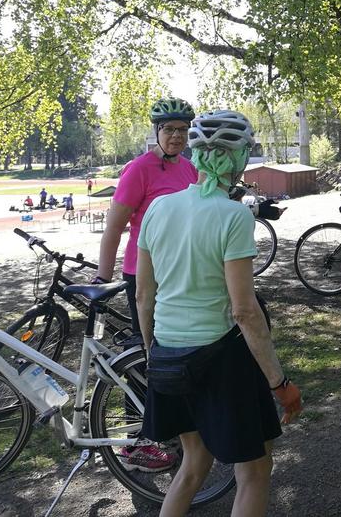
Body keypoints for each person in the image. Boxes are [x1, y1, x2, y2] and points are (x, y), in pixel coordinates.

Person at [135, 110, 302, 517]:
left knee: (193, 466)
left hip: (168, 356)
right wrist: (279, 382)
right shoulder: (233, 215)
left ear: (196, 154)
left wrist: (154, 353)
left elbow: (143, 295)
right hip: (219, 359)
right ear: (238, 157)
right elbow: (244, 311)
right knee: (255, 470)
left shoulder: (158, 208)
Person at [96, 97, 198, 472]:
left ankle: (170, 428)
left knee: (173, 351)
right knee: (146, 354)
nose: (176, 136)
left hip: (178, 271)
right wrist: (102, 277)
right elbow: (114, 227)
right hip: (142, 274)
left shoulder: (189, 168)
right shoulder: (139, 170)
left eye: (183, 130)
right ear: (156, 131)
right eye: (169, 129)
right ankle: (138, 442)